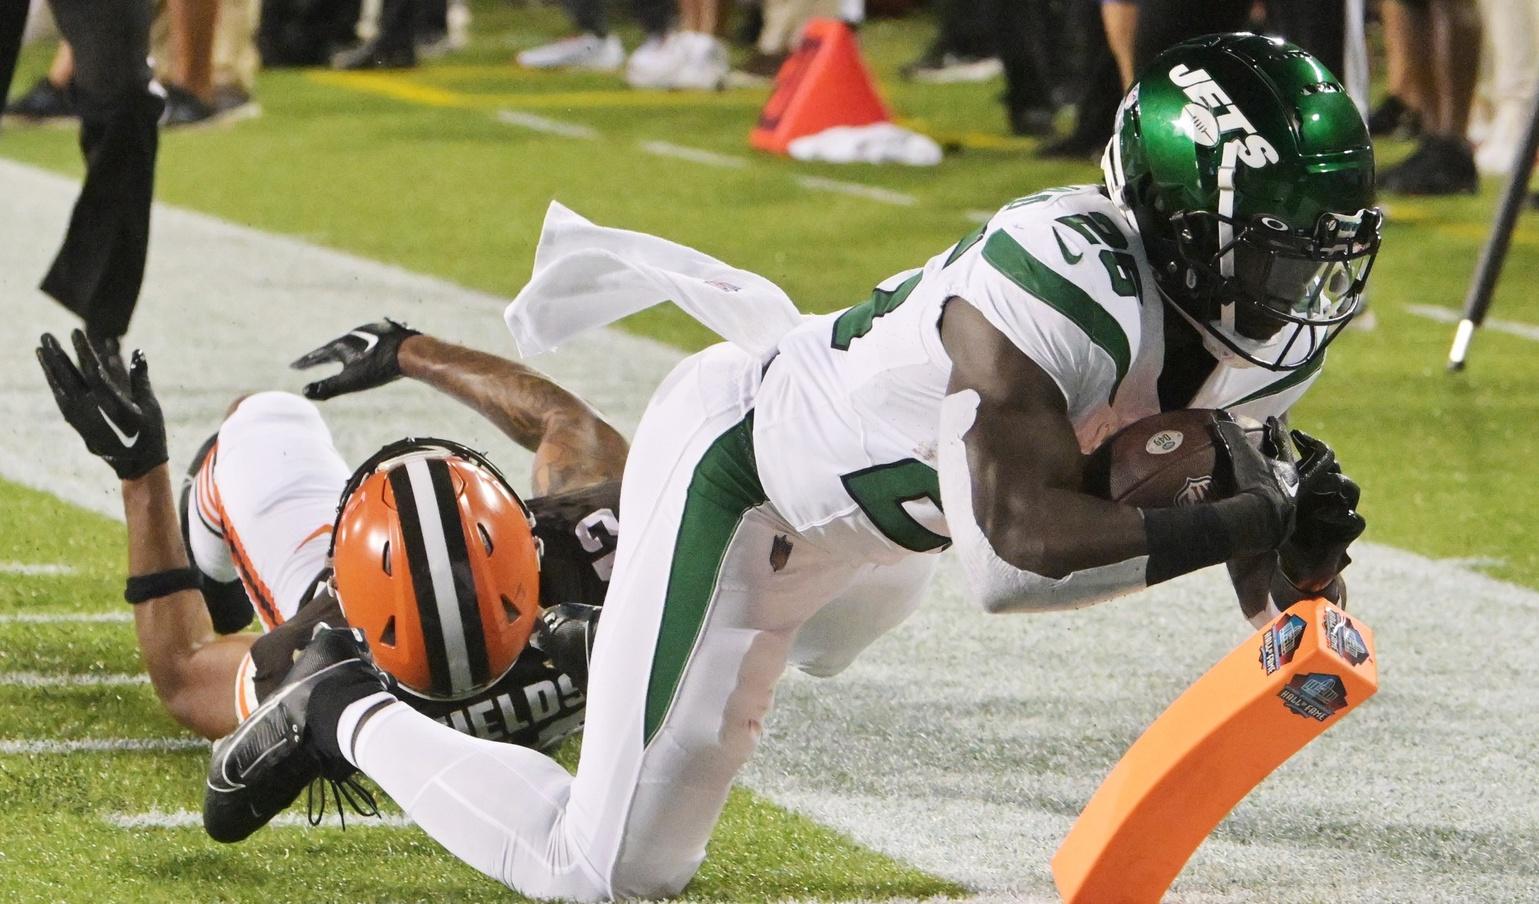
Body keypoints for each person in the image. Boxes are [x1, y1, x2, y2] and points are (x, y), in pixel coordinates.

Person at [208, 34, 1373, 900]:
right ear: (1172, 213)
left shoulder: (1243, 329)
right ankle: (342, 710)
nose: (1296, 296)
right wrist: (1239, 515)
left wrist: (1298, 562)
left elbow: (1265, 591)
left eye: (1315, 258)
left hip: (883, 532)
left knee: (831, 643)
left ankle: (594, 649)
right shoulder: (1056, 279)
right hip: (749, 479)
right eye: (1272, 255)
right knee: (604, 871)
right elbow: (1013, 560)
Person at [34, 320, 629, 836]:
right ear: (525, 534)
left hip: (346, 648)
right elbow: (565, 418)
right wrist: (408, 349)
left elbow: (184, 672)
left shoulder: (323, 656)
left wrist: (142, 473)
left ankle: (214, 565)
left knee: (264, 412)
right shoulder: (603, 545)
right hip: (556, 700)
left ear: (344, 583)